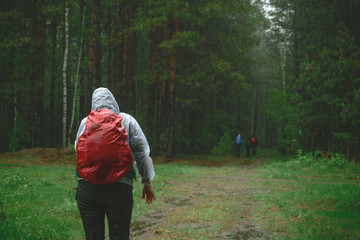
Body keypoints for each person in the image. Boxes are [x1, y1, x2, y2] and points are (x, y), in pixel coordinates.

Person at [74, 87, 156, 240]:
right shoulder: (127, 120)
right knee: (119, 236)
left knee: (93, 236)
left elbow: (78, 149)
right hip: (120, 187)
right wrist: (147, 183)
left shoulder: (86, 121)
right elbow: (142, 153)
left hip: (88, 188)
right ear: (114, 101)